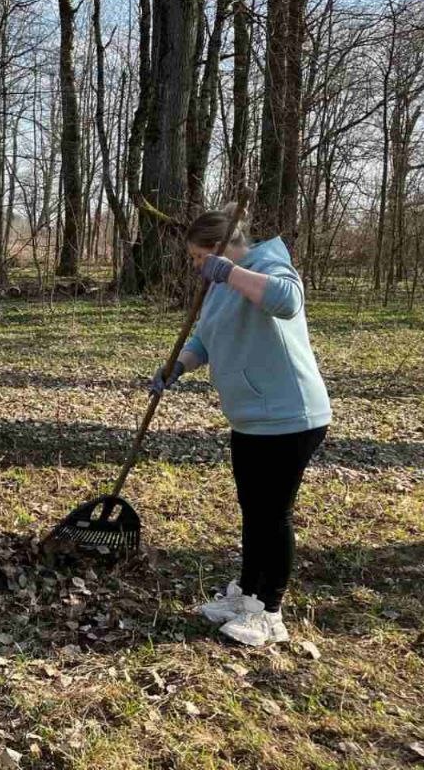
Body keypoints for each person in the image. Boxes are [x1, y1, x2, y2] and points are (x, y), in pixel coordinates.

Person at [150, 205, 331, 647]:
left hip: (290, 416)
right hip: (251, 418)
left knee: (273, 515)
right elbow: (204, 338)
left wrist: (228, 272)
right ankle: (246, 595)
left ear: (222, 247)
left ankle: (270, 611)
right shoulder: (217, 284)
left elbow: (287, 301)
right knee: (254, 511)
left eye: (198, 257)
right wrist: (179, 366)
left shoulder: (268, 263)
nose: (196, 267)